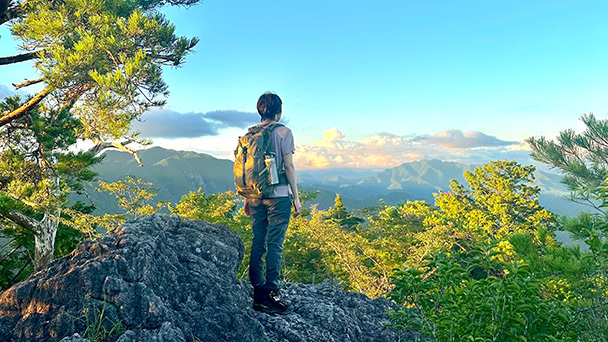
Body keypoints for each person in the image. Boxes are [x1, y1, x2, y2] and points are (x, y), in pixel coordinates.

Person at [243, 92, 302, 315]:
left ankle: (257, 292)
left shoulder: (249, 135)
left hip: (256, 195)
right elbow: (289, 166)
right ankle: (271, 293)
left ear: (260, 111)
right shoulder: (284, 132)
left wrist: (248, 197)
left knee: (258, 241)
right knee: (275, 243)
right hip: (278, 197)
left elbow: (250, 171)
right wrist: (295, 197)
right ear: (279, 111)